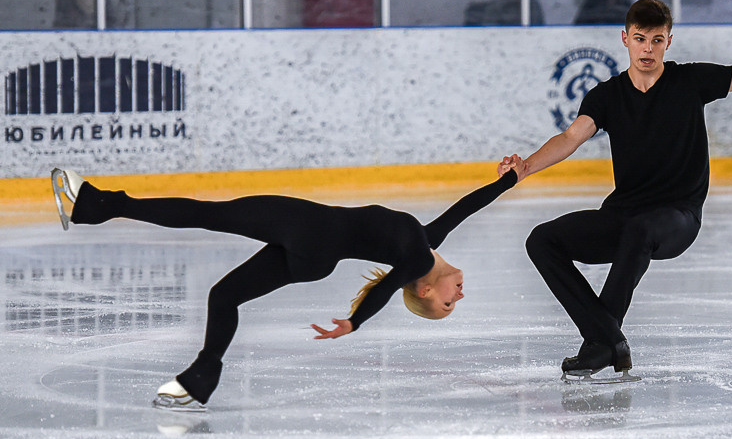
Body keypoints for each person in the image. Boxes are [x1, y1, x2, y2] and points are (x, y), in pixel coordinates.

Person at [498, 0, 732, 380]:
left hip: (676, 217)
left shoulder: (690, 82)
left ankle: (601, 345)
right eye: (640, 38)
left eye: (657, 40)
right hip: (622, 213)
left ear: (669, 42)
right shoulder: (607, 96)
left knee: (639, 229)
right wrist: (525, 167)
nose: (648, 48)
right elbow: (569, 137)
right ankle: (607, 338)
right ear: (625, 39)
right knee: (542, 240)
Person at [50, 160, 524, 410]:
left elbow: (382, 290)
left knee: (206, 212)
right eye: (454, 301)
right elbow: (466, 207)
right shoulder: (428, 241)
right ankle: (201, 377)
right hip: (314, 257)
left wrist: (355, 323)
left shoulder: (417, 259)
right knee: (224, 295)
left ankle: (95, 204)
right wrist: (508, 180)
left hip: (308, 229)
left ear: (424, 291)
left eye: (447, 307)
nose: (457, 297)